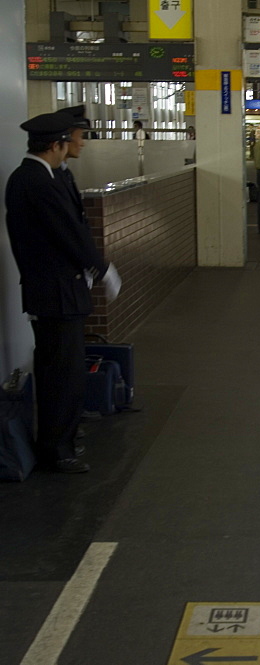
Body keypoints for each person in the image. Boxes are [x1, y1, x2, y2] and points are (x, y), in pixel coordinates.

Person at [4, 112, 121, 473]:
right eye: (77, 137)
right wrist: (101, 269)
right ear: (57, 144)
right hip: (55, 292)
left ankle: (63, 435)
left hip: (60, 289)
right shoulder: (36, 181)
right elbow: (68, 231)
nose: (82, 143)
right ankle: (56, 449)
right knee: (61, 371)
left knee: (62, 367)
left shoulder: (49, 176)